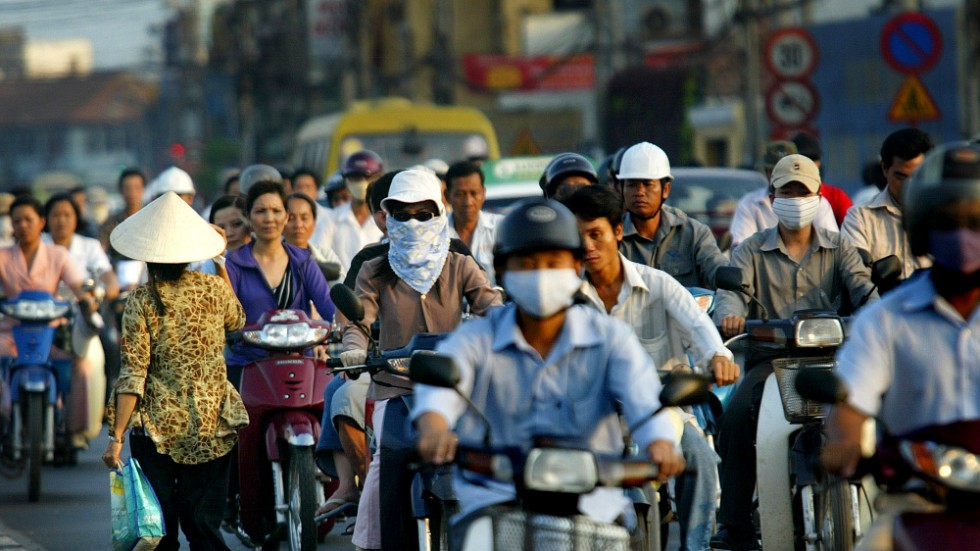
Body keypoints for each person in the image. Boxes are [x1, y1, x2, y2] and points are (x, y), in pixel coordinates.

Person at [413, 197, 685, 525]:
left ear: (576, 267)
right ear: (502, 270)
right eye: (526, 263)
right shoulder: (475, 339)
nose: (541, 274)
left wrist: (659, 443)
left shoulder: (611, 339)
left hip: (592, 506)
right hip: (496, 505)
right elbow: (439, 396)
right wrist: (434, 428)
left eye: (553, 262)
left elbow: (644, 400)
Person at [710, 154, 876, 550]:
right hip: (771, 362)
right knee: (734, 418)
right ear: (772, 196)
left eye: (803, 192)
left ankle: (889, 504)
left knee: (878, 412)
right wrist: (731, 317)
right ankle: (734, 524)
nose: (795, 199)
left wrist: (876, 312)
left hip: (835, 361)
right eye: (787, 191)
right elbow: (730, 294)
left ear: (819, 196)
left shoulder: (841, 248)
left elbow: (864, 292)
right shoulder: (749, 250)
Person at [821, 141, 980, 551]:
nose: (963, 234)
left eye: (976, 222)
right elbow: (851, 403)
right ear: (921, 226)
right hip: (918, 503)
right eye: (948, 221)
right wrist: (844, 440)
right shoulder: (883, 319)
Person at [565, 185, 735, 551]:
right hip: (593, 420)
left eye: (596, 234)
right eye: (579, 238)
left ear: (617, 231)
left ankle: (696, 546)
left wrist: (718, 357)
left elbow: (700, 328)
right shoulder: (563, 299)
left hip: (663, 412)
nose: (589, 247)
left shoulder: (659, 285)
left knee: (701, 460)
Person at [341, 169, 501, 551]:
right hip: (395, 386)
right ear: (388, 217)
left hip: (455, 385)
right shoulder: (374, 269)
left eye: (423, 213)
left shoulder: (459, 264)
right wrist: (354, 346)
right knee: (387, 460)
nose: (413, 222)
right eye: (402, 214)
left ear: (439, 212)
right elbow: (358, 319)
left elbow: (488, 303)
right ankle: (377, 543)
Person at [101, 192, 247, 551]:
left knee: (160, 529)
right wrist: (222, 264)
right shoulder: (214, 288)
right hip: (211, 421)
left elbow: (133, 373)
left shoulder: (141, 301)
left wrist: (117, 436)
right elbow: (238, 321)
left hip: (156, 427)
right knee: (205, 526)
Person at [43, 193, 121, 446]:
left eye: (67, 215)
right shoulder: (39, 243)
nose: (61, 221)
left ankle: (103, 410)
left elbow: (108, 277)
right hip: (40, 317)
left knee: (108, 349)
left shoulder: (89, 246)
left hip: (81, 316)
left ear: (76, 219)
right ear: (46, 219)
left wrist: (108, 289)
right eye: (55, 215)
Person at [617, 141, 728, 289]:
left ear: (666, 189)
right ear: (621, 189)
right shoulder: (612, 237)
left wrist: (729, 307)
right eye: (631, 184)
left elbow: (717, 271)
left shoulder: (694, 234)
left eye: (648, 184)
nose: (639, 192)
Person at [841, 128, 934, 278]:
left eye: (918, 176)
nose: (909, 185)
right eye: (901, 176)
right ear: (885, 168)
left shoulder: (944, 216)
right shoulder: (860, 217)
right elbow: (854, 276)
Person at [728, 141, 838, 249]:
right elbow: (741, 247)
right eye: (775, 170)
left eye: (785, 169)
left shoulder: (817, 202)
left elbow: (831, 244)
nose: (780, 174)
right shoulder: (749, 203)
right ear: (772, 199)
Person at [445, 161, 502, 284]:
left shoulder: (502, 227)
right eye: (460, 194)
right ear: (447, 196)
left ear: (483, 193)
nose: (468, 202)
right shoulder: (435, 231)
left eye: (474, 193)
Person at [332, 150, 385, 269]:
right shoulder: (330, 219)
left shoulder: (386, 219)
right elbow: (322, 258)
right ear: (346, 180)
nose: (362, 183)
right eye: (356, 178)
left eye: (368, 177)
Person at [791, 132, 853, 226]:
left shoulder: (836, 197)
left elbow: (851, 234)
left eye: (813, 158)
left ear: (819, 162)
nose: (807, 163)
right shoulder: (780, 199)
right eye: (802, 157)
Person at [283, 192, 345, 284]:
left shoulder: (326, 255)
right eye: (291, 218)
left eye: (304, 218)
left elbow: (341, 288)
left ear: (314, 223)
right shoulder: (270, 257)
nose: (298, 225)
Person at [99, 167, 146, 263]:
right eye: (127, 188)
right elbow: (100, 251)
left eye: (136, 188)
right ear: (121, 191)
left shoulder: (152, 219)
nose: (132, 193)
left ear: (143, 189)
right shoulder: (111, 223)